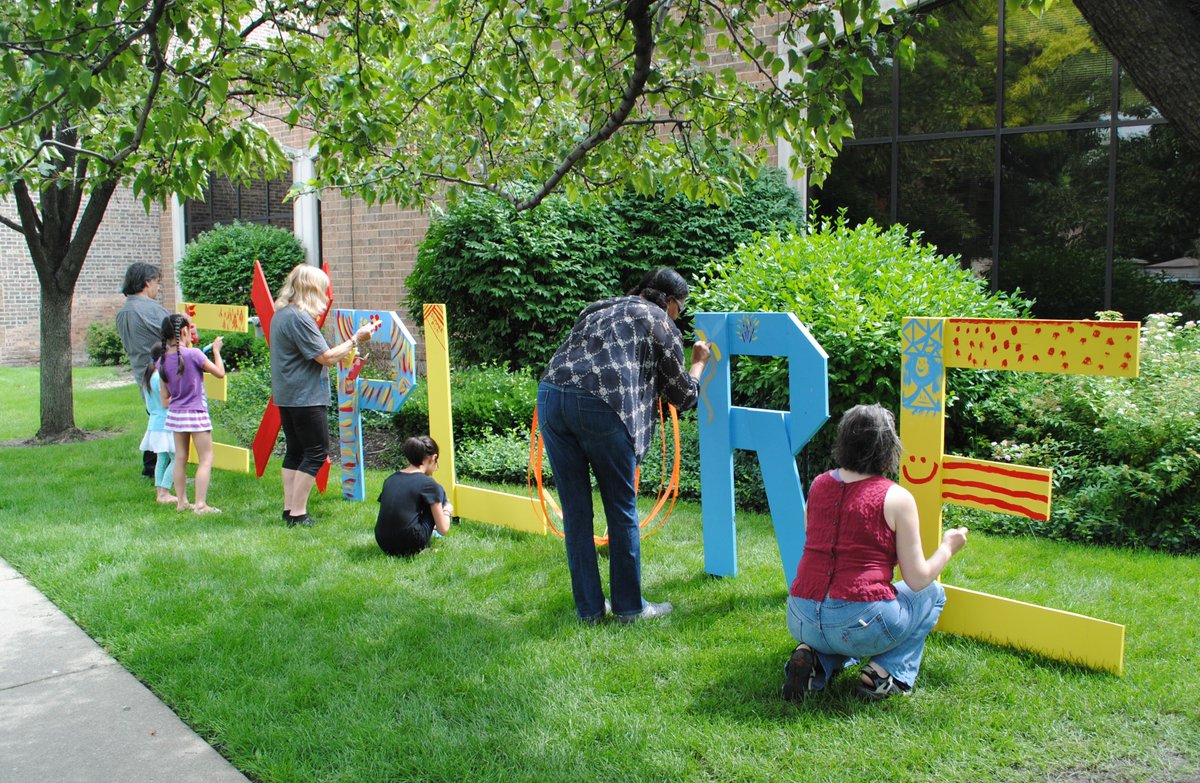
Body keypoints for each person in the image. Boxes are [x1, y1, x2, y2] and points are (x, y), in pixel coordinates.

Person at [537, 267, 710, 624]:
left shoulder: (599, 307)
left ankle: (589, 610)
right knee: (621, 509)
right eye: (681, 306)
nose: (679, 314)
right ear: (671, 302)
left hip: (551, 397)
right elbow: (682, 396)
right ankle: (630, 608)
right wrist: (698, 365)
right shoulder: (660, 321)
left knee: (576, 513)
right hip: (601, 407)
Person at [782, 404, 969, 701]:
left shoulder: (819, 484)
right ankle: (883, 673)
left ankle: (812, 661)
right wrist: (948, 546)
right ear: (888, 446)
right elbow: (917, 579)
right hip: (858, 622)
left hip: (801, 616)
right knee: (932, 593)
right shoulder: (896, 497)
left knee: (837, 628)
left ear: (843, 440)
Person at [269, 263, 376, 528]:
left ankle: (289, 510)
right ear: (311, 289)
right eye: (323, 289)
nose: (326, 295)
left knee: (295, 451)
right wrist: (356, 339)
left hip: (287, 394)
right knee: (316, 452)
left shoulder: (280, 313)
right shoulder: (299, 318)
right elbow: (326, 358)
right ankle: (298, 513)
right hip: (306, 396)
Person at [159, 313, 225, 514]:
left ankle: (182, 502)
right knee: (206, 458)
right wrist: (216, 351)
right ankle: (201, 505)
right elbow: (220, 373)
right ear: (185, 332)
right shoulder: (194, 353)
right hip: (196, 413)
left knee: (180, 458)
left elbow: (165, 397)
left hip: (176, 416)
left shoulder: (162, 361)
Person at [116, 263, 170, 478]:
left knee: (155, 419)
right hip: (163, 375)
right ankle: (165, 472)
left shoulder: (124, 312)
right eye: (157, 282)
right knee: (167, 425)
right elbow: (175, 334)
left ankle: (150, 468)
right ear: (147, 283)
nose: (158, 288)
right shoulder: (152, 309)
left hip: (142, 373)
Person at [375, 436, 454, 557]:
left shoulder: (390, 479)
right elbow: (443, 530)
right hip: (411, 543)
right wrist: (447, 511)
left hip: (383, 541)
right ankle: (420, 548)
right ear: (433, 458)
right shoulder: (429, 485)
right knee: (439, 491)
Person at [140, 345, 176, 505]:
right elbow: (166, 403)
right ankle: (165, 491)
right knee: (178, 458)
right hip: (165, 424)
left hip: (155, 424)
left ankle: (160, 494)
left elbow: (149, 407)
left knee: (162, 458)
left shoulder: (149, 377)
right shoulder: (158, 379)